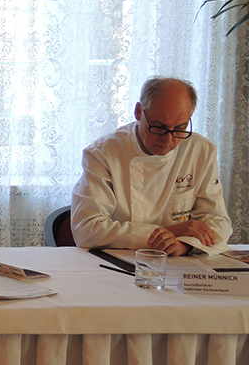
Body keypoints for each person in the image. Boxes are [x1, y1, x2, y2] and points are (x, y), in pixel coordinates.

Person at [71, 76, 231, 256]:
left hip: (180, 261)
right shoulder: (103, 154)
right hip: (119, 259)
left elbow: (218, 222)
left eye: (180, 128)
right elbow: (87, 229)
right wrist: (168, 232)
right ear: (139, 112)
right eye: (159, 127)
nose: (168, 140)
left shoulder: (201, 152)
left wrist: (185, 245)